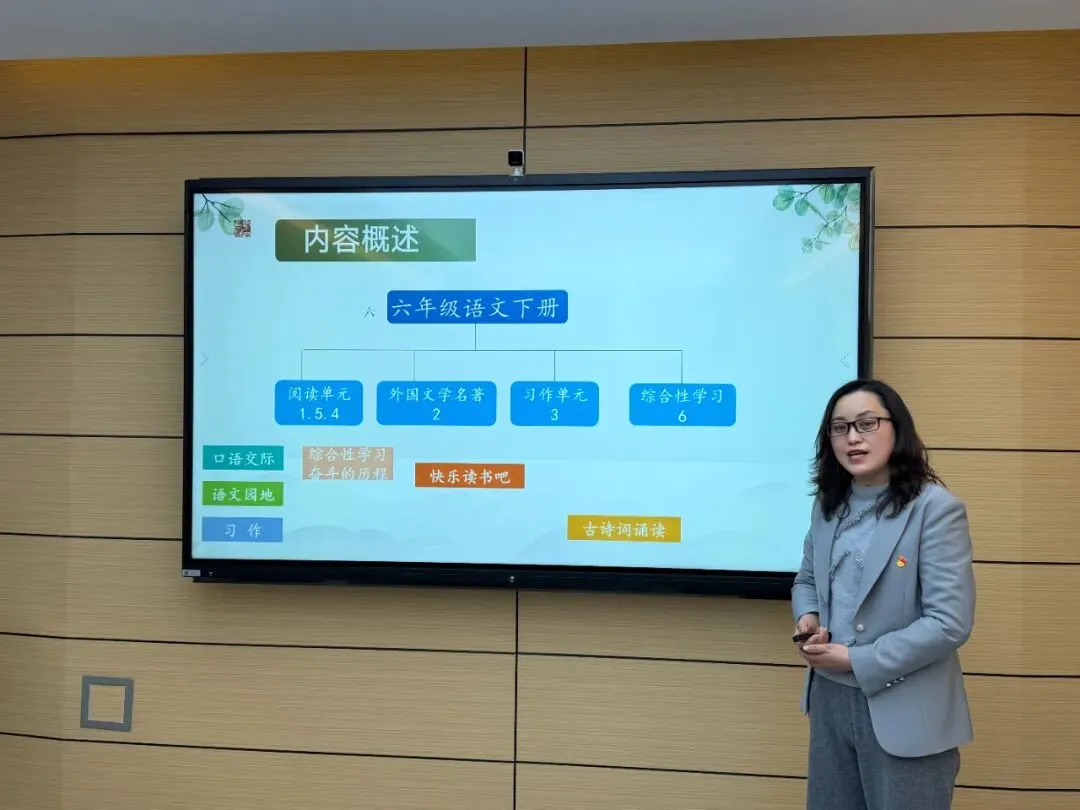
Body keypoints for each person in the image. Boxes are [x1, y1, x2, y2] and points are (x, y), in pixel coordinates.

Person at [791, 378, 975, 810]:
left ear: (897, 428)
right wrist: (808, 619)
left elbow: (949, 623)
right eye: (840, 428)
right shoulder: (828, 505)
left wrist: (857, 660)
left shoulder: (935, 509)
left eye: (867, 423)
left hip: (906, 707)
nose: (853, 438)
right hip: (829, 699)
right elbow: (806, 581)